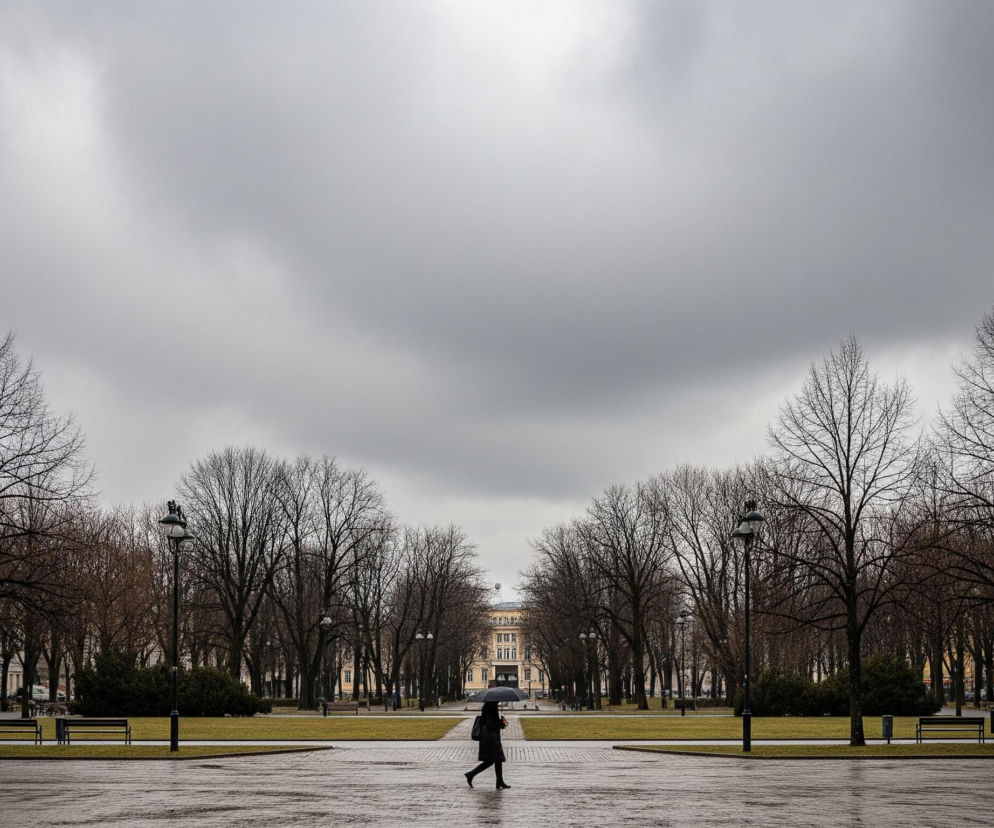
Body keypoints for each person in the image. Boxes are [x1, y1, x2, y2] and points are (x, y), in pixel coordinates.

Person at [465, 701, 510, 789]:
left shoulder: (489, 705)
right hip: (490, 739)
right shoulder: (491, 706)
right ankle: (470, 774)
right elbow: (490, 725)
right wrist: (501, 723)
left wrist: (499, 722)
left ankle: (499, 781)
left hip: (490, 738)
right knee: (491, 760)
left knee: (498, 760)